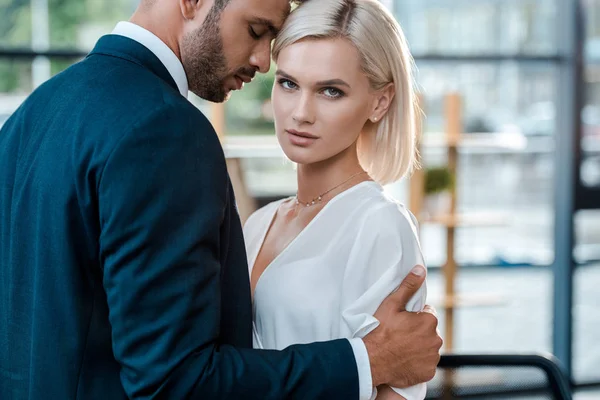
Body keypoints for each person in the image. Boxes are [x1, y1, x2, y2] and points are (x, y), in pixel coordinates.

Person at [0, 0, 442, 399]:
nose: (261, 63)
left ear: (380, 101)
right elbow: (175, 379)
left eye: (331, 90)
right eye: (255, 30)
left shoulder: (29, 116)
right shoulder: (166, 132)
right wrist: (366, 361)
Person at [244, 0, 430, 399]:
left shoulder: (379, 225)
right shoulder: (258, 223)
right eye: (289, 83)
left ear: (380, 102)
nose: (301, 113)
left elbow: (397, 390)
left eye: (331, 91)